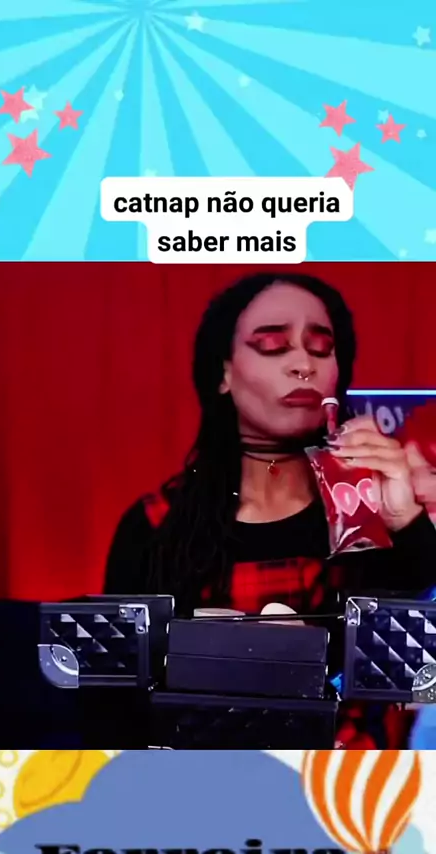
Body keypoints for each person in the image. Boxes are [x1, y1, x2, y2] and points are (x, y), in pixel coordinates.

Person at [104, 271, 436, 747]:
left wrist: (405, 521)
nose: (303, 364)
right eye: (273, 345)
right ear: (222, 374)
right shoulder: (155, 526)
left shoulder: (368, 516)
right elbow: (114, 708)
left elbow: (417, 676)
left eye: (321, 348)